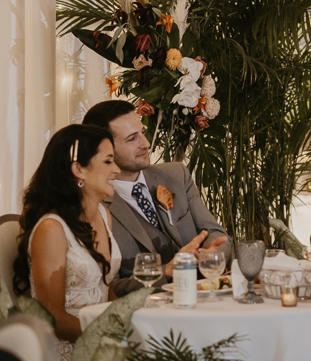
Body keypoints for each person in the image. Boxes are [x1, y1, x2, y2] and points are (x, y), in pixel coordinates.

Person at [82, 100, 231, 296]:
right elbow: (108, 289)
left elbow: (217, 234)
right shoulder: (93, 206)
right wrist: (165, 272)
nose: (145, 143)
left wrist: (212, 255)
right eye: (132, 138)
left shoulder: (177, 174)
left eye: (142, 132)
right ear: (104, 149)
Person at [12, 125, 122, 360]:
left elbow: (107, 290)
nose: (117, 169)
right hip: (68, 349)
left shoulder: (104, 215)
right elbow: (52, 316)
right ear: (78, 169)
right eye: (108, 162)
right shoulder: (52, 229)